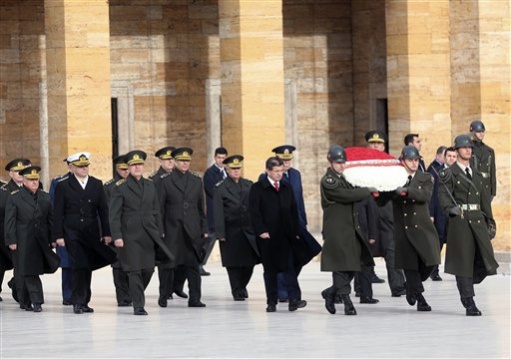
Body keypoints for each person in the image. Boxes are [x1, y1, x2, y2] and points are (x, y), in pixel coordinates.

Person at [438, 134, 499, 316]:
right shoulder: (449, 173)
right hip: (461, 221)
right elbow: (442, 195)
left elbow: (484, 200)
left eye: (469, 148)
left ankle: (466, 284)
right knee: (463, 262)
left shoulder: (477, 174)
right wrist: (450, 209)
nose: (468, 150)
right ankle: (468, 300)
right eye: (464, 147)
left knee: (484, 259)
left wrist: (490, 220)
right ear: (456, 151)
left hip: (477, 221)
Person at [109, 150, 173, 315]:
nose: (137, 168)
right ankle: (138, 305)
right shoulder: (120, 188)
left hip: (148, 234)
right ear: (128, 168)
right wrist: (117, 236)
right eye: (133, 165)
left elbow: (156, 210)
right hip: (130, 235)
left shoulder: (150, 185)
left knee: (149, 269)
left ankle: (134, 292)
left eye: (139, 165)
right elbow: (114, 215)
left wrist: (160, 231)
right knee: (134, 270)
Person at [53, 152, 116, 314]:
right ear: (72, 167)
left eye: (86, 166)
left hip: (91, 231)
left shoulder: (96, 184)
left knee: (87, 265)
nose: (84, 169)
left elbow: (103, 210)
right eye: (80, 166)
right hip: (72, 232)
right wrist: (58, 235)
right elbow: (58, 212)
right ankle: (77, 301)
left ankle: (85, 301)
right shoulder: (63, 185)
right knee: (78, 264)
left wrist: (107, 233)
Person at [319, 145, 376, 316]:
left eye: (343, 162)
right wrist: (367, 190)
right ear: (330, 162)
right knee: (340, 266)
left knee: (353, 265)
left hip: (350, 229)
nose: (341, 165)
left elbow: (353, 190)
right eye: (338, 163)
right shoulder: (329, 181)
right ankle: (347, 302)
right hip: (337, 230)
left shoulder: (343, 178)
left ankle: (331, 292)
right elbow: (347, 195)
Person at [249, 156, 308, 312]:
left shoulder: (286, 187)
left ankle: (294, 299)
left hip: (286, 235)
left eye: (281, 171)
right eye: (276, 171)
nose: (279, 174)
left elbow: (293, 210)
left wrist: (295, 231)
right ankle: (271, 301)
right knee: (270, 270)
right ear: (268, 171)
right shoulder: (258, 188)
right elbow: (254, 212)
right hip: (267, 237)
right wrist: (261, 230)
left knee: (289, 268)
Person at [4, 166, 60, 312]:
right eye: (31, 180)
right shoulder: (15, 197)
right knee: (25, 271)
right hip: (22, 240)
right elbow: (10, 220)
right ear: (24, 181)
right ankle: (34, 301)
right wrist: (11, 240)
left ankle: (27, 300)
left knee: (31, 270)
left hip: (39, 241)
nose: (34, 182)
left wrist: (52, 239)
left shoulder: (45, 197)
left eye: (36, 179)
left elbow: (51, 220)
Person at [393, 146, 441, 312]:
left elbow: (425, 195)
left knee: (431, 260)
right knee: (410, 265)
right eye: (410, 160)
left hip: (422, 227)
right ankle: (420, 298)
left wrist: (406, 191)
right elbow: (385, 199)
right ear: (403, 160)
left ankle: (411, 286)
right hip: (403, 229)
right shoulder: (395, 178)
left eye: (416, 160)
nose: (414, 163)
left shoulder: (425, 177)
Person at [159, 147, 208, 308]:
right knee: (168, 265)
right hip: (172, 229)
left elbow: (201, 207)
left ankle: (195, 298)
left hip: (192, 230)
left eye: (187, 161)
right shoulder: (166, 181)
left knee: (193, 265)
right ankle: (164, 295)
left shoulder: (196, 180)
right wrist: (161, 230)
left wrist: (204, 229)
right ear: (174, 162)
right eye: (181, 161)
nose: (185, 163)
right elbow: (160, 209)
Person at [362, 131, 406, 297]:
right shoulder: (360, 164)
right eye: (372, 143)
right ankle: (363, 289)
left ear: (383, 146)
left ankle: (398, 286)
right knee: (364, 252)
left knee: (392, 249)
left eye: (379, 144)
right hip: (367, 210)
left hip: (387, 211)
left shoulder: (391, 164)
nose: (376, 146)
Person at [213, 155, 260, 301]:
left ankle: (242, 285)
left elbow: (255, 207)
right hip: (231, 231)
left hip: (248, 230)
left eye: (238, 168)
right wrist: (220, 232)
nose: (236, 171)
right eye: (233, 169)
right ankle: (236, 290)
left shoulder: (248, 185)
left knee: (249, 263)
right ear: (227, 169)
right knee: (233, 264)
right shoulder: (220, 188)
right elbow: (218, 211)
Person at [149, 146, 187, 300]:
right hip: (165, 226)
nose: (170, 162)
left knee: (183, 258)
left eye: (172, 159)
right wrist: (159, 228)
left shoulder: (181, 177)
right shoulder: (156, 179)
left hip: (181, 225)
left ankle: (177, 286)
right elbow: (156, 206)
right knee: (166, 261)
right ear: (160, 161)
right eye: (167, 159)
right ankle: (166, 290)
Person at [0, 158, 32, 305]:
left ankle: (20, 291)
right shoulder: (4, 191)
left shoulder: (31, 187)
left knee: (24, 266)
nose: (19, 174)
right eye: (16, 171)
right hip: (5, 236)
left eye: (22, 171)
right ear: (11, 174)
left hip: (27, 235)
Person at [104, 155, 131, 307]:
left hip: (133, 232)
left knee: (133, 264)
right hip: (116, 231)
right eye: (123, 169)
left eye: (128, 169)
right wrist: (107, 233)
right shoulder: (109, 187)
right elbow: (105, 212)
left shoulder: (137, 184)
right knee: (118, 265)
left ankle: (132, 294)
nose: (126, 172)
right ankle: (122, 296)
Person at [49, 158, 74, 306]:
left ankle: (81, 295)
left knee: (83, 264)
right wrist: (55, 234)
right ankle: (68, 295)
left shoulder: (91, 182)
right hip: (64, 231)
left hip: (83, 231)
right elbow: (53, 210)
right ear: (70, 167)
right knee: (67, 264)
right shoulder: (58, 182)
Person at [202, 147, 228, 276]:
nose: (221, 160)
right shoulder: (210, 173)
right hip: (214, 212)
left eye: (223, 158)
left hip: (226, 212)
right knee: (210, 239)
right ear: (215, 157)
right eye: (219, 158)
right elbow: (212, 191)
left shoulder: (228, 172)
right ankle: (199, 263)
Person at [427, 146, 448, 281]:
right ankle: (433, 269)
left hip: (446, 211)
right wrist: (431, 213)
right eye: (447, 156)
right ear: (439, 155)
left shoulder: (447, 170)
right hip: (438, 211)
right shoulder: (433, 170)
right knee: (438, 241)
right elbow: (431, 194)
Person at [469, 120, 496, 204]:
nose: (481, 134)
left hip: (486, 187)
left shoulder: (489, 151)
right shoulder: (468, 149)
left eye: (482, 131)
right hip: (473, 185)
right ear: (472, 133)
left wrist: (493, 191)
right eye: (478, 131)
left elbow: (492, 172)